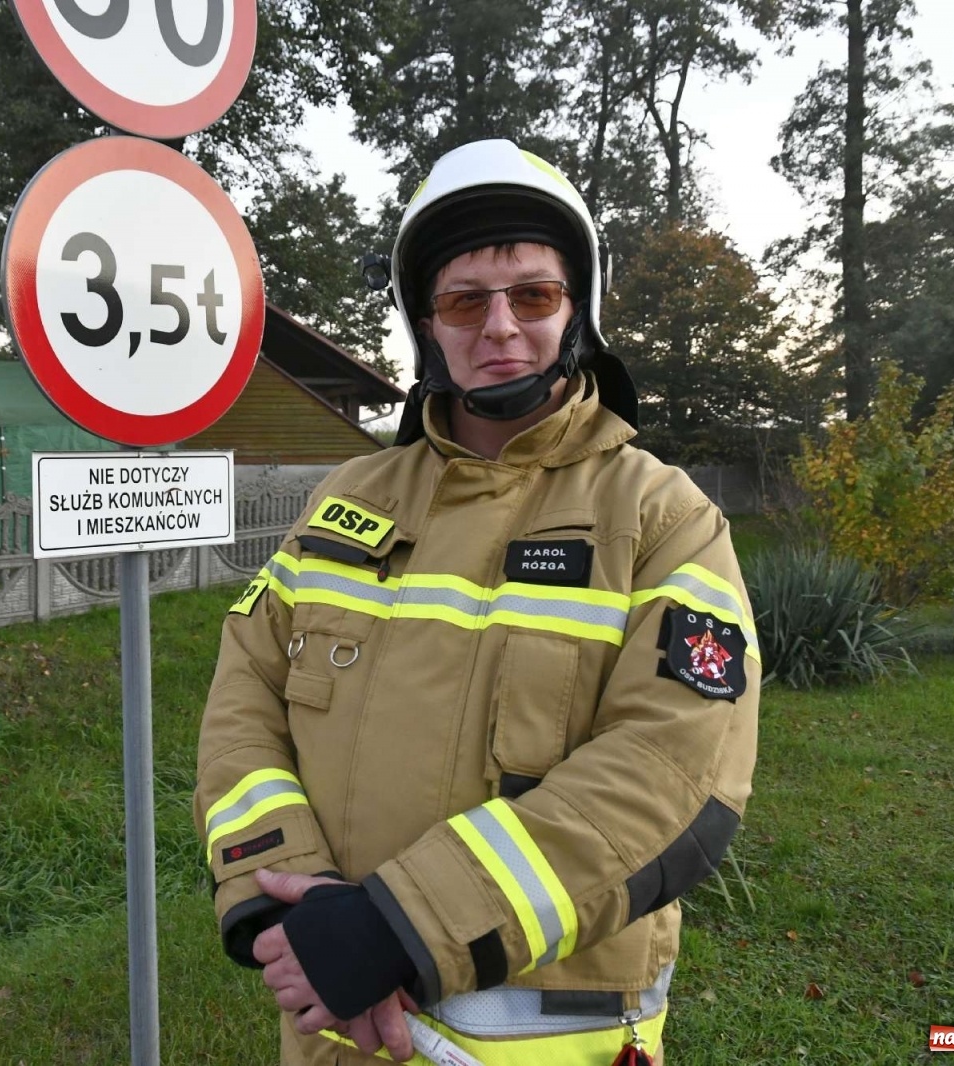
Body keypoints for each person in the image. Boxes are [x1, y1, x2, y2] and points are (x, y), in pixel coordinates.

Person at [194, 139, 758, 1066]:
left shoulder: (662, 515)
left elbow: (677, 773)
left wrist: (398, 927)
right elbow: (243, 699)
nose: (499, 327)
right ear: (429, 326)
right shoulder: (348, 500)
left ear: (577, 313)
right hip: (337, 1029)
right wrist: (274, 885)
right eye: (464, 301)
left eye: (532, 295)